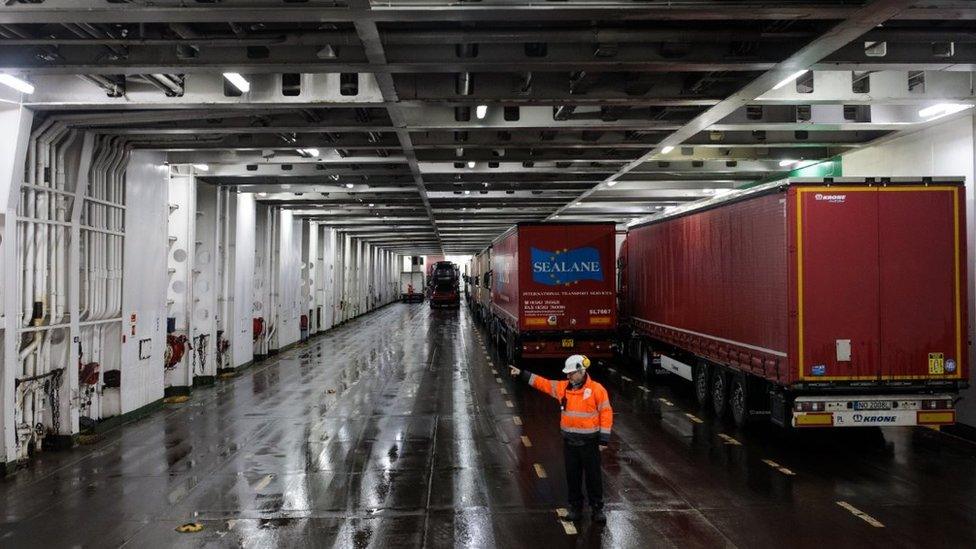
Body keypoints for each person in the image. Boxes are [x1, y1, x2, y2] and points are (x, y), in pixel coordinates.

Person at [509, 354, 613, 523]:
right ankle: (575, 508)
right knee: (573, 478)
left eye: (571, 373)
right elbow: (543, 384)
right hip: (570, 444)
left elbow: (606, 413)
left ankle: (597, 509)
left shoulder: (597, 390)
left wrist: (604, 439)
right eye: (568, 374)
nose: (568, 376)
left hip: (590, 444)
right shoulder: (563, 388)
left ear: (581, 371)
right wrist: (522, 374)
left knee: (593, 478)